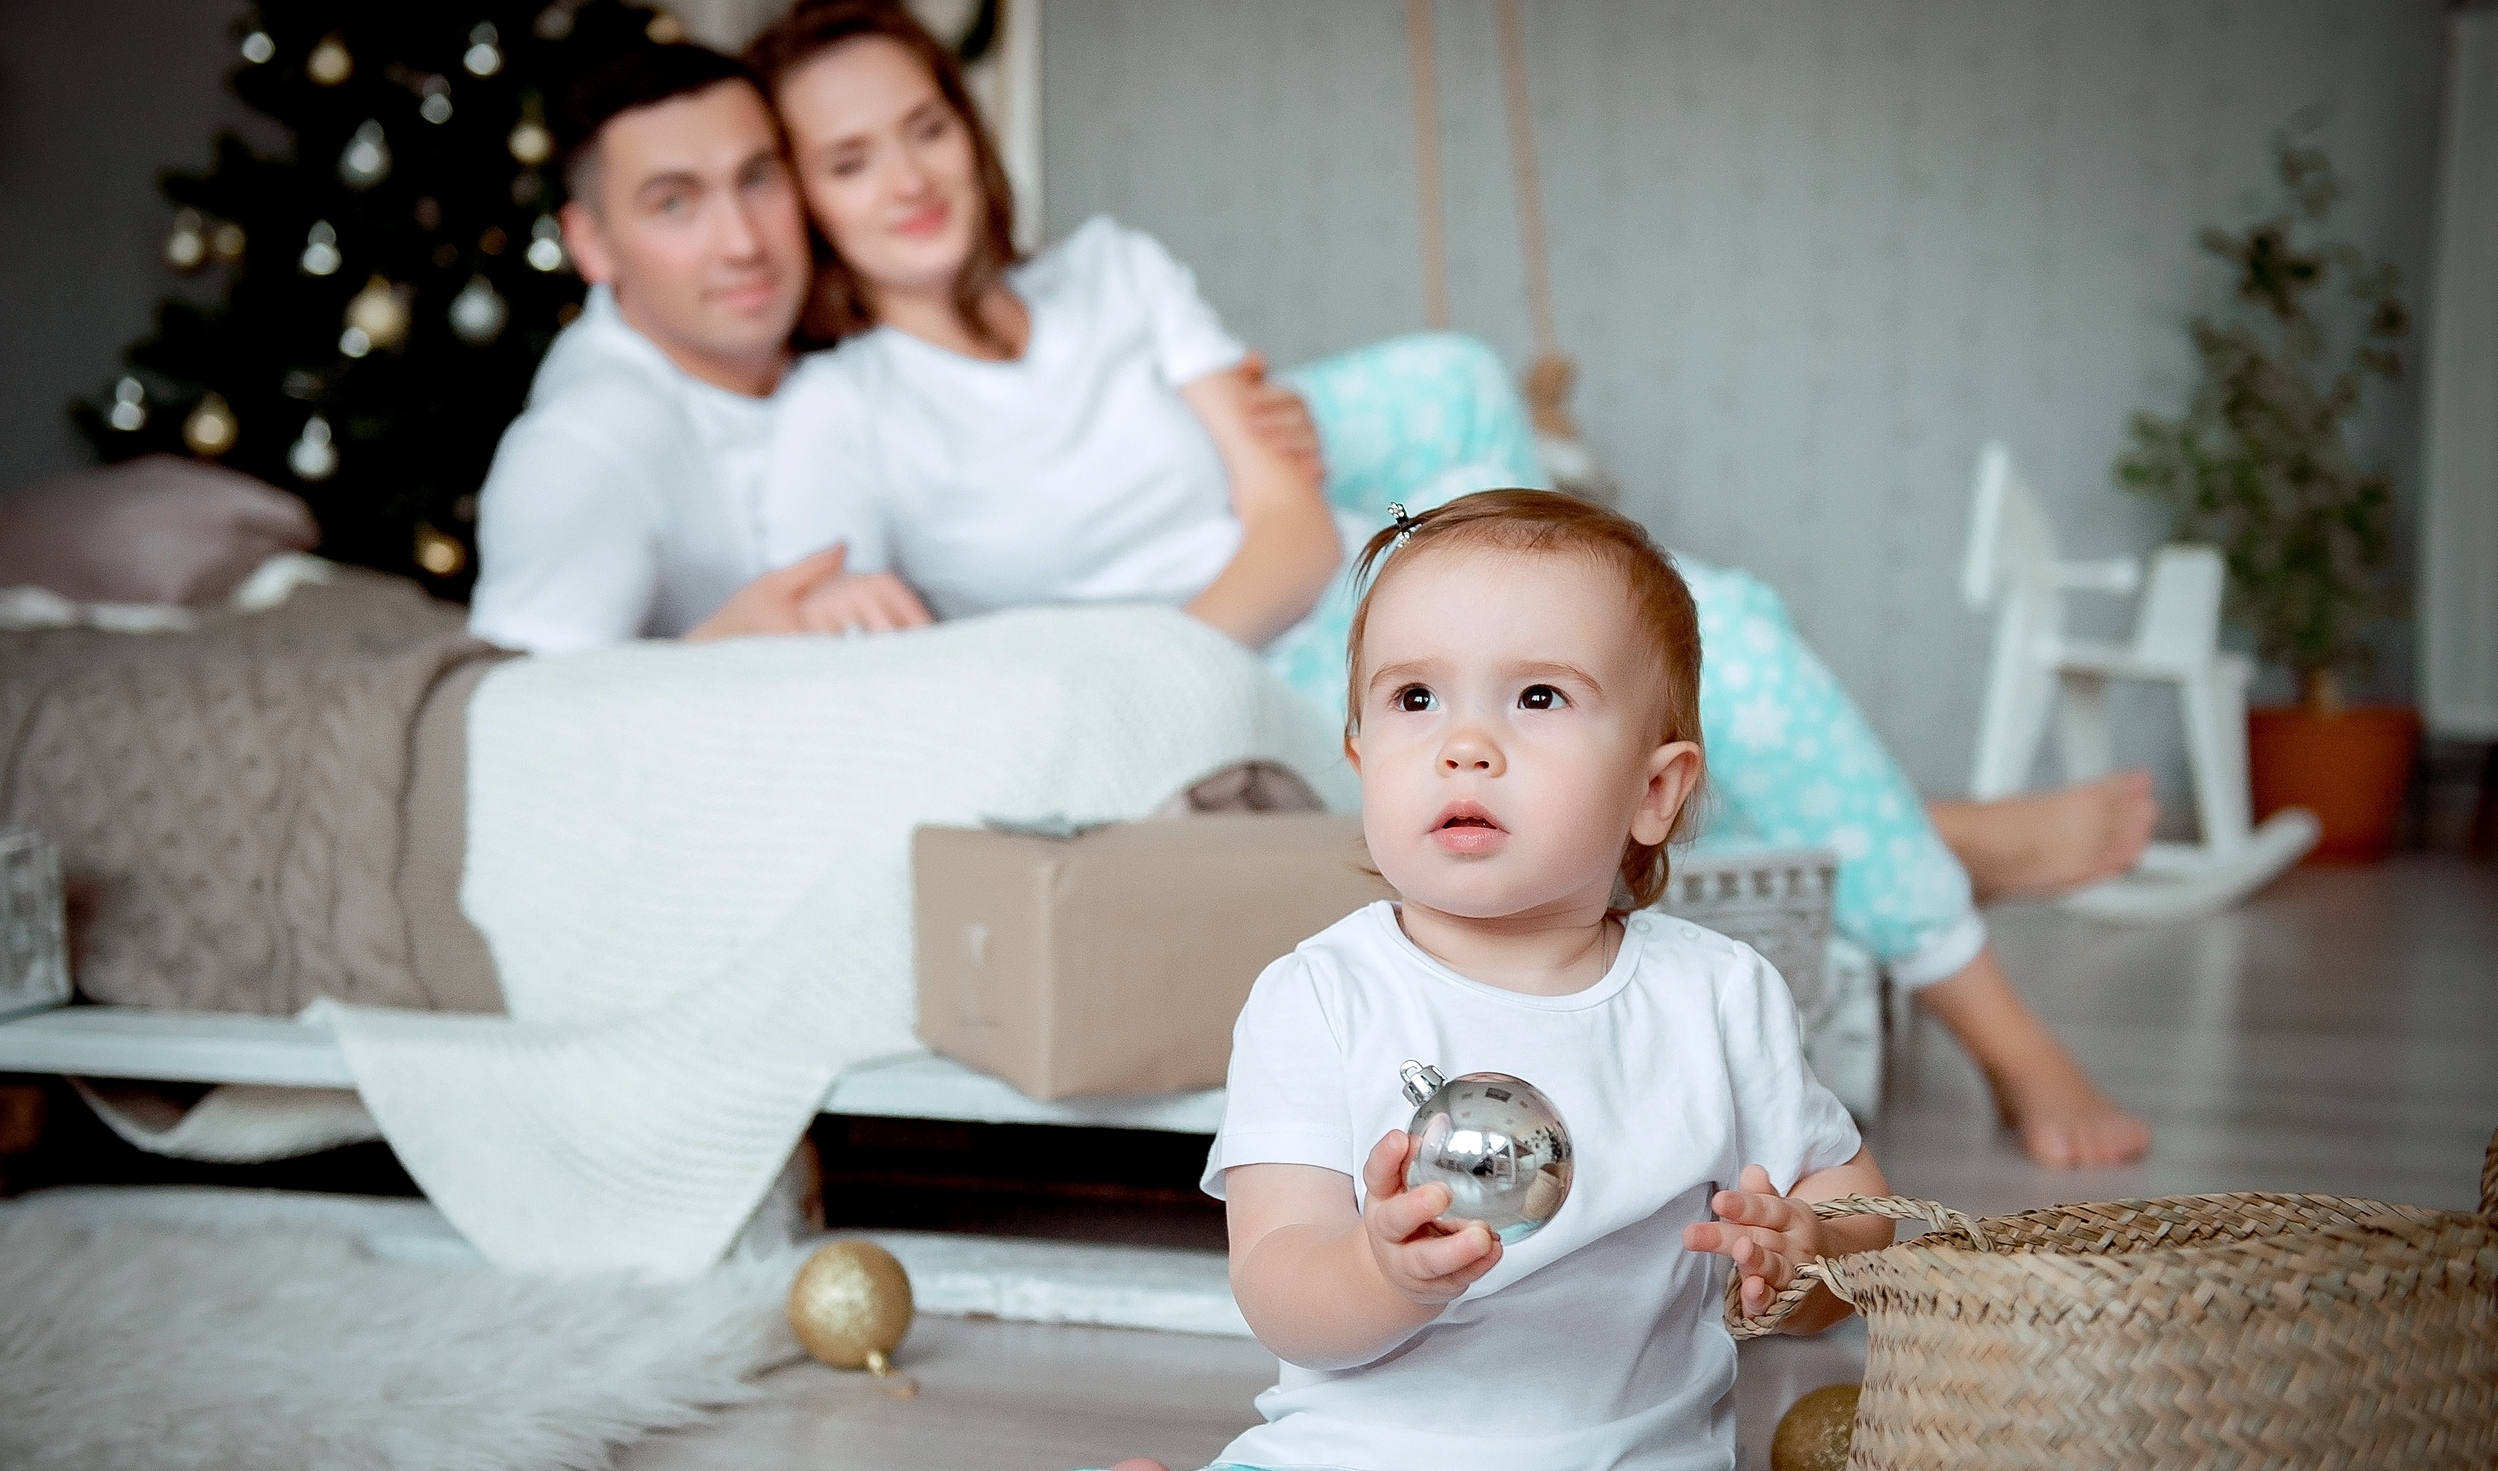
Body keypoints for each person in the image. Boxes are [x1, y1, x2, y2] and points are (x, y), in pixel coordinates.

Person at [744, 0, 2151, 1169]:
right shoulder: (840, 409)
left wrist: (1209, 617)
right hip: (1248, 688)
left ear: (971, 134)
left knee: (1730, 636)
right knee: (1571, 698)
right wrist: (1115, 664)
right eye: (850, 158)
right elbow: (810, 617)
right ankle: (1942, 841)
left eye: (925, 126)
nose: (907, 177)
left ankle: (2009, 1040)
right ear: (802, 195)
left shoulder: (1115, 273)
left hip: (1339, 578)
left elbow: (1295, 527)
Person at [978, 491, 1880, 1471]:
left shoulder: (1715, 1000)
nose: (1466, 745)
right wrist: (1379, 1271)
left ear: (1653, 793)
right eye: (1415, 700)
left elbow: (1863, 1216)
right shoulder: (1317, 999)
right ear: (1359, 754)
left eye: (1538, 698)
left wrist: (1807, 1253)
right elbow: (1280, 1289)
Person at [466, 42, 912, 652]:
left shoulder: (857, 331)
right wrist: (719, 651)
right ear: (590, 243)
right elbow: (520, 724)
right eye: (674, 203)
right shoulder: (583, 445)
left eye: (757, 178)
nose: (743, 244)